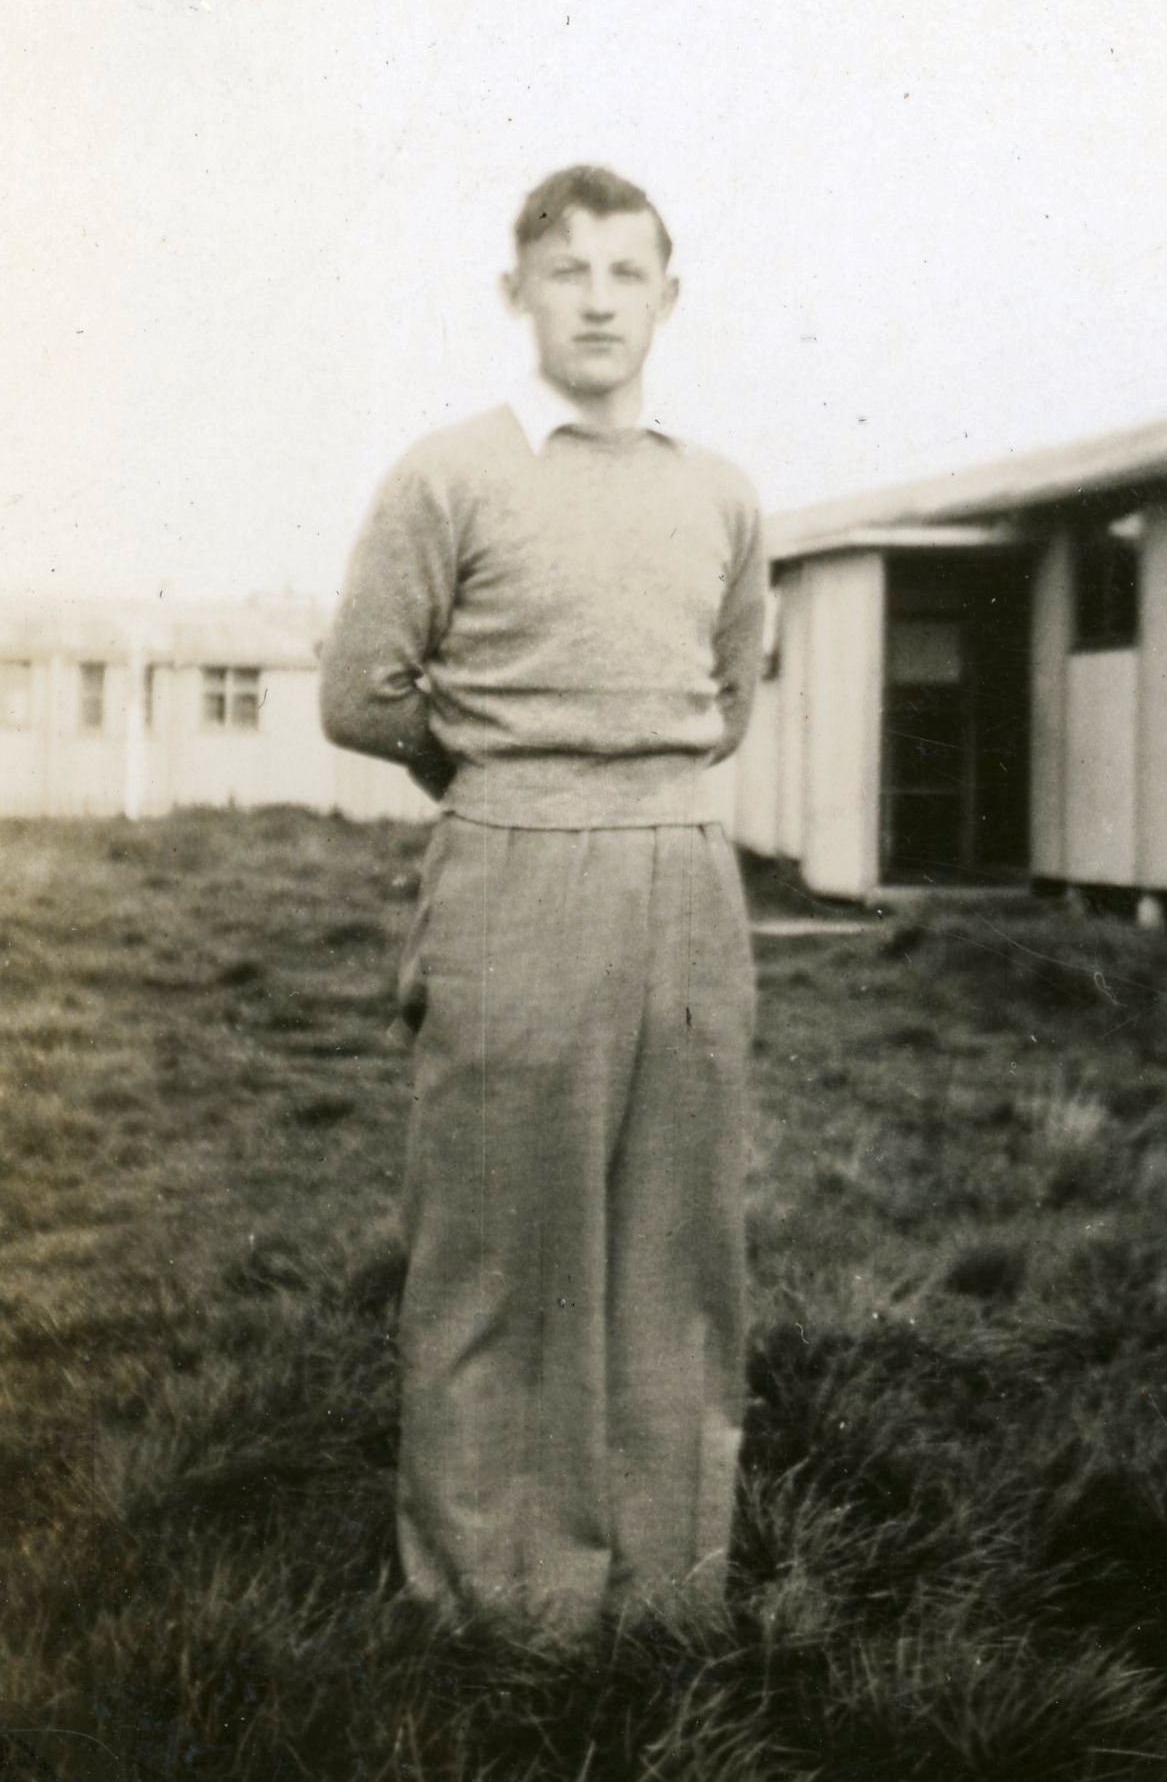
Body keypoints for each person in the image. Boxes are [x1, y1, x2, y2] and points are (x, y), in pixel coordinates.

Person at [319, 164, 766, 1640]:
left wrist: (636, 802)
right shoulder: (453, 473)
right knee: (502, 1247)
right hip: (514, 872)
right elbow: (361, 691)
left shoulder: (721, 491)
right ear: (516, 293)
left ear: (667, 297)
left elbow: (723, 693)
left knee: (677, 1247)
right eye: (564, 270)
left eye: (624, 272)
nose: (595, 297)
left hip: (688, 886)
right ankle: (498, 1605)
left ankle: (665, 1588)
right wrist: (505, 781)